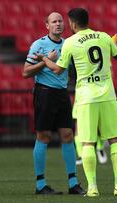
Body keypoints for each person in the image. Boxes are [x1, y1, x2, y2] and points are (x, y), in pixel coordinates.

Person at [32, 8, 117, 197]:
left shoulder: (71, 42)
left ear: (72, 23)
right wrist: (110, 44)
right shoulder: (104, 36)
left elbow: (58, 70)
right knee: (115, 140)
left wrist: (43, 58)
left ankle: (92, 188)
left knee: (87, 143)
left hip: (86, 98)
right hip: (108, 95)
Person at [23, 12, 84, 195]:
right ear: (47, 25)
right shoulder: (39, 45)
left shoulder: (68, 44)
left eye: (60, 21)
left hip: (62, 94)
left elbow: (71, 70)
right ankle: (40, 185)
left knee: (67, 135)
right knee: (44, 137)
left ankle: (73, 183)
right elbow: (25, 72)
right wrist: (44, 61)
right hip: (44, 93)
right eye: (54, 22)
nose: (58, 24)